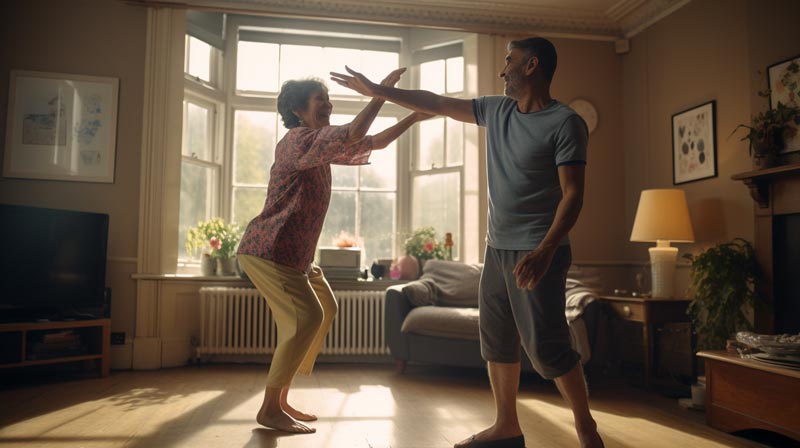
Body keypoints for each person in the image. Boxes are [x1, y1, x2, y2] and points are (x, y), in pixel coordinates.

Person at [331, 37, 603, 448]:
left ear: (531, 67)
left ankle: (586, 429)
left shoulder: (565, 123)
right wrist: (379, 91)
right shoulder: (496, 110)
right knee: (496, 339)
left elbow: (574, 194)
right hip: (497, 250)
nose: (502, 70)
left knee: (547, 349)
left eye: (509, 61)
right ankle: (507, 425)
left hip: (538, 251)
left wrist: (546, 250)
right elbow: (436, 101)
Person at [237, 68, 429, 434]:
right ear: (297, 110)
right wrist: (380, 93)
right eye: (318, 100)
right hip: (270, 248)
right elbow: (354, 132)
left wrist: (414, 117)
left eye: (328, 99)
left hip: (296, 256)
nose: (327, 104)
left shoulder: (319, 148)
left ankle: (280, 399)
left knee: (324, 309)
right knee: (307, 318)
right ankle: (269, 409)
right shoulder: (297, 141)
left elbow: (374, 141)